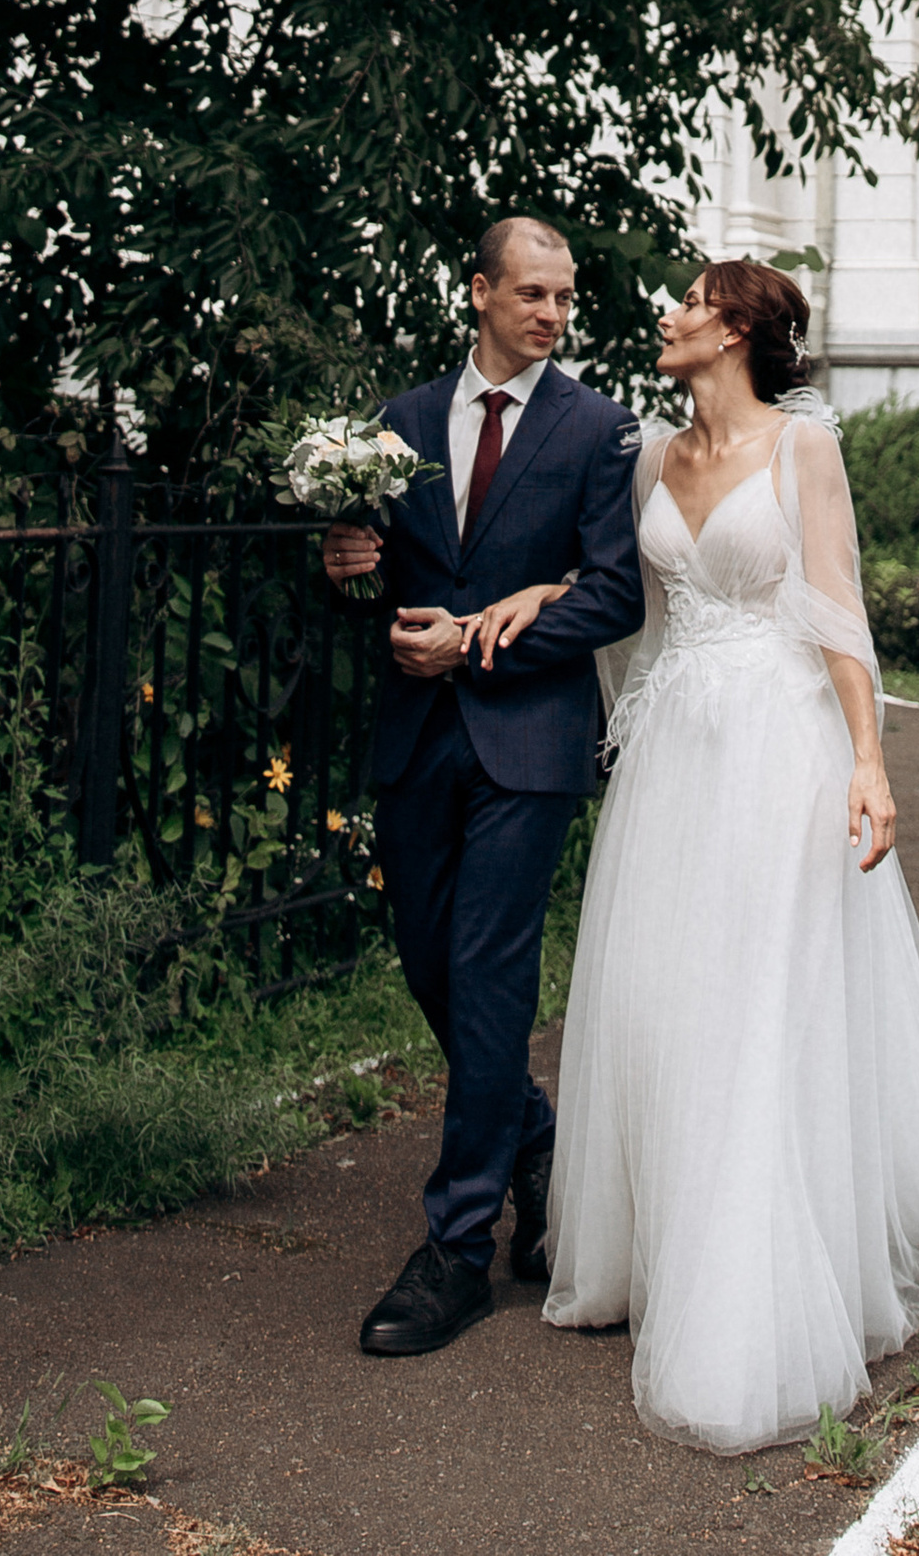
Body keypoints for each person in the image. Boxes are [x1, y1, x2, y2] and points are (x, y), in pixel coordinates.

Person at [469, 258, 919, 1455]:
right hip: (676, 757)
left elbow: (836, 608)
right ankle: (650, 1252)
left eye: (688, 302)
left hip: (779, 752)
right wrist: (540, 591)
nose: (667, 317)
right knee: (662, 1001)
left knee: (755, 1004)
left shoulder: (803, 452)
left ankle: (751, 1293)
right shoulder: (651, 454)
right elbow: (617, 590)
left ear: (734, 330)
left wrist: (868, 762)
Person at [323, 213, 644, 1359]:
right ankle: (536, 1142)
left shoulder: (600, 431)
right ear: (477, 293)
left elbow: (615, 596)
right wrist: (347, 569)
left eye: (564, 299)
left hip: (531, 741)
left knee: (488, 962)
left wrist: (480, 643)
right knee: (426, 959)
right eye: (533, 295)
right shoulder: (398, 424)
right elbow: (372, 580)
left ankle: (456, 1249)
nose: (553, 316)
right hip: (417, 736)